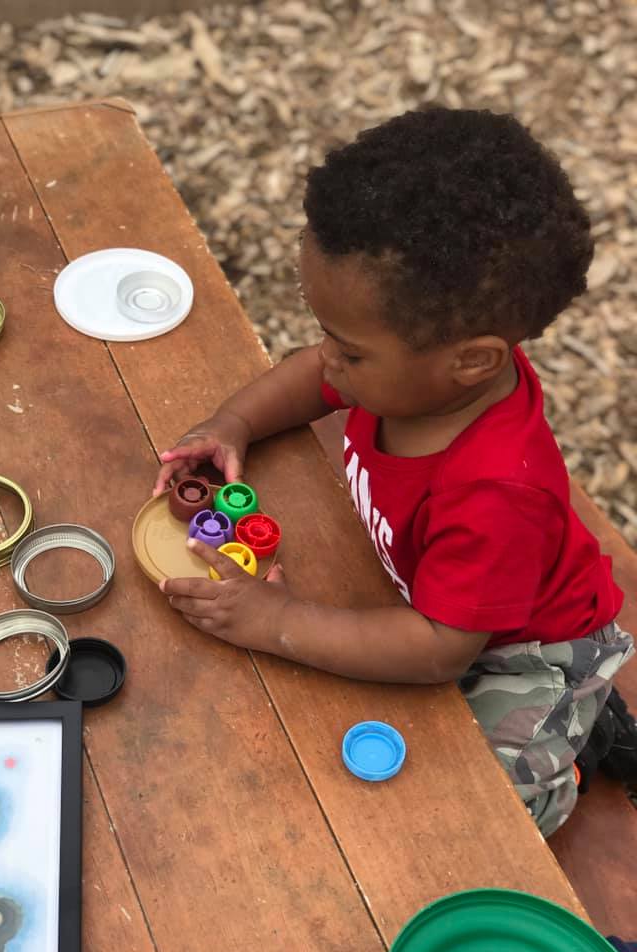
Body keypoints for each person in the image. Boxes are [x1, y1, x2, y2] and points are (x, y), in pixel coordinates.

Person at [154, 107, 634, 837]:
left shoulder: (495, 491)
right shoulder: (416, 374)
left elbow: (442, 647)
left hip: (522, 645)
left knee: (487, 814)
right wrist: (234, 424)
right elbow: (313, 379)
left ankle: (581, 741)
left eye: (347, 350)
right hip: (439, 598)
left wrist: (279, 623)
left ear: (471, 360)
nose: (327, 360)